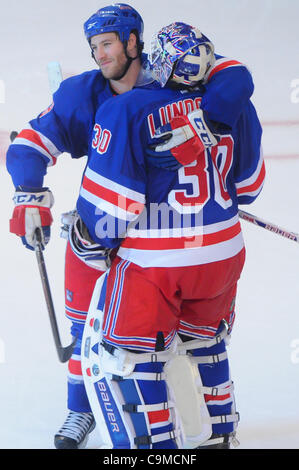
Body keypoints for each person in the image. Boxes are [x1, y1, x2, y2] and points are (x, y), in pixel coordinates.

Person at [6, 4, 256, 449]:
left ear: (134, 42)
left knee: (156, 345)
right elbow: (31, 140)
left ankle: (167, 431)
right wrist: (29, 191)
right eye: (94, 47)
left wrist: (209, 128)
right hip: (107, 230)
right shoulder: (82, 93)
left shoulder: (171, 80)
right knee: (86, 326)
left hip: (148, 244)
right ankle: (81, 409)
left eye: (107, 44)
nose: (100, 55)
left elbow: (234, 74)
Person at [76, 22, 265, 449]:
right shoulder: (236, 106)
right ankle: (221, 436)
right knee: (208, 343)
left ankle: (158, 449)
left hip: (156, 261)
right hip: (223, 251)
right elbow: (249, 188)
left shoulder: (127, 108)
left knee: (135, 355)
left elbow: (112, 208)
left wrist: (90, 238)